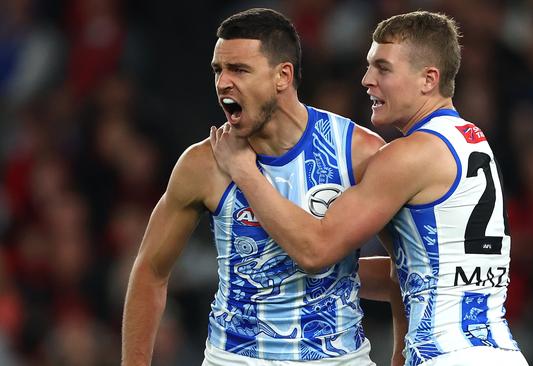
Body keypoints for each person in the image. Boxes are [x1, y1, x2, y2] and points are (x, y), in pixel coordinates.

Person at [211, 10, 530, 366]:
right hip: (499, 351)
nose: (366, 80)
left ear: (428, 79)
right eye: (368, 66)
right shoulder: (471, 142)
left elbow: (316, 251)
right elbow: (421, 271)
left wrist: (244, 172)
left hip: (447, 355)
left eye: (383, 68)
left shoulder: (407, 156)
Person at [121, 8, 406, 366]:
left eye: (239, 70)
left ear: (282, 76)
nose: (223, 82)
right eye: (218, 70)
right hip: (234, 359)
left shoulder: (358, 153)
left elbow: (405, 269)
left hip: (339, 359)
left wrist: (400, 357)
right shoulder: (203, 164)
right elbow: (150, 270)